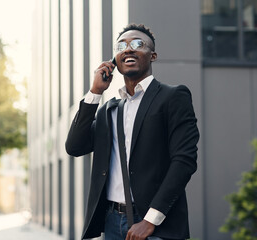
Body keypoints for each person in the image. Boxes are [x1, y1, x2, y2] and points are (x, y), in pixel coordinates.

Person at [65, 23, 199, 240]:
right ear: (114, 61)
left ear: (152, 55)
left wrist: (149, 220)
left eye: (138, 44)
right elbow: (74, 147)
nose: (128, 49)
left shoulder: (173, 97)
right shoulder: (110, 110)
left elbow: (184, 161)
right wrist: (95, 92)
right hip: (112, 221)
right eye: (121, 46)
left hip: (156, 225)